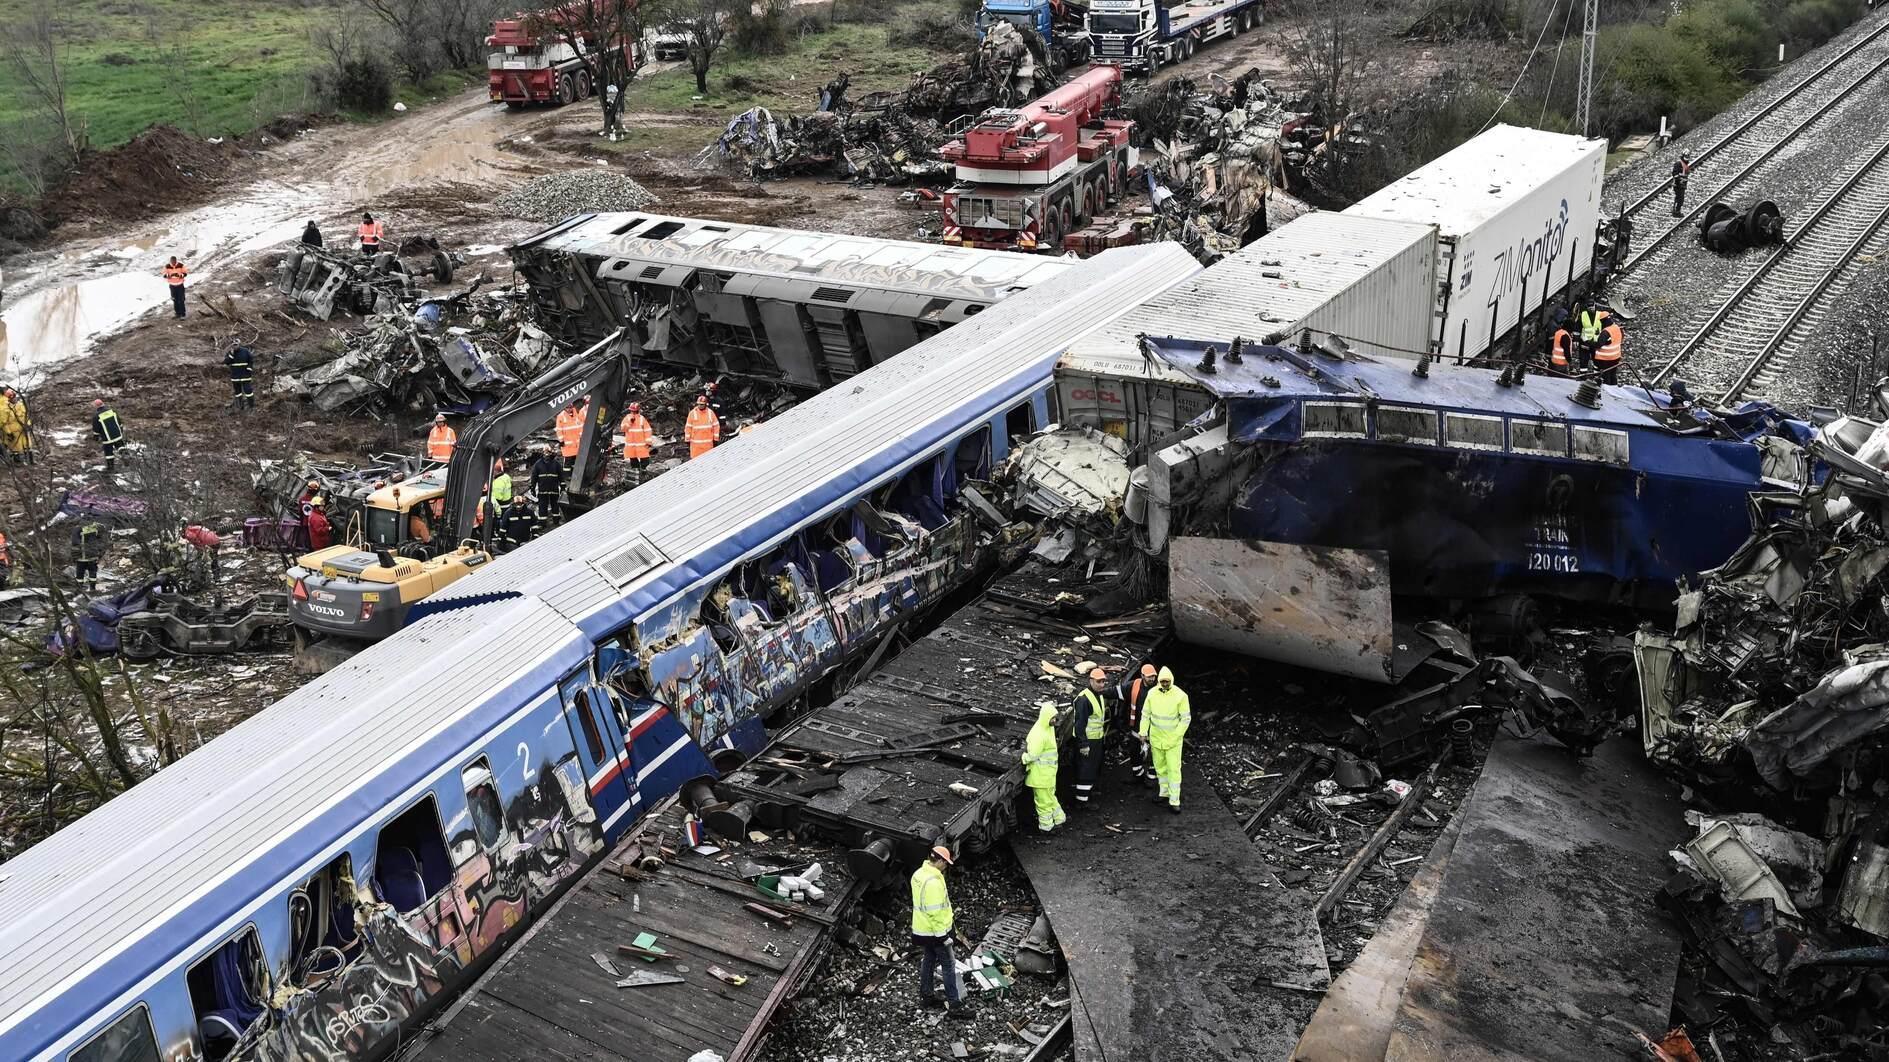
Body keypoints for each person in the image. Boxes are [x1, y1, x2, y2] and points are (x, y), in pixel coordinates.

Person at [910, 844, 972, 1020]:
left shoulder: (918, 874)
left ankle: (927, 996)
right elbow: (935, 912)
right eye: (945, 863)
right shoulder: (933, 882)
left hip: (922, 930)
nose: (946, 866)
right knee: (948, 965)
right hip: (936, 932)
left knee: (928, 960)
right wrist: (943, 936)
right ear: (939, 861)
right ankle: (955, 1005)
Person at [1138, 667, 1192, 813]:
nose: (1165, 684)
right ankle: (1164, 793)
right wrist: (1143, 732)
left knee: (1173, 770)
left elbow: (1185, 719)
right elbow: (1145, 715)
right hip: (1157, 739)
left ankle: (1174, 800)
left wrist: (1177, 735)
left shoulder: (1180, 696)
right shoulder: (1152, 694)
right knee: (1160, 768)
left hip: (1173, 741)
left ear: (1171, 680)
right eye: (1162, 681)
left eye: (1167, 681)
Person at [1022, 701, 1066, 833]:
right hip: (1049, 773)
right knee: (1051, 798)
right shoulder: (1048, 729)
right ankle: (1059, 819)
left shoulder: (1039, 732)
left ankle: (1046, 827)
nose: (1054, 720)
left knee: (1042, 802)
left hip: (1040, 775)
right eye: (1053, 717)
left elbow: (1033, 755)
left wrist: (1023, 758)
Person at [1071, 668, 1109, 805]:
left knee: (1092, 767)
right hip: (1088, 741)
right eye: (1099, 682)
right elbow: (1079, 724)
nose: (1102, 684)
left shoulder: (1098, 695)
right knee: (1085, 769)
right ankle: (1081, 801)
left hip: (1096, 739)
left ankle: (1086, 795)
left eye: (1104, 681)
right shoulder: (1084, 699)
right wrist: (1083, 744)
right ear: (1091, 681)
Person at [1116, 663, 1158, 785]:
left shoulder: (1159, 689)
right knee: (1134, 753)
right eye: (1149, 676)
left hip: (1154, 730)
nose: (1152, 679)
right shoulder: (1134, 685)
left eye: (1153, 676)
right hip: (1136, 728)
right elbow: (1118, 691)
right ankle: (1138, 775)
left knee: (1155, 756)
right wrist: (1100, 692)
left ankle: (1151, 779)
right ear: (1142, 676)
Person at [531, 446, 564, 524]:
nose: (546, 454)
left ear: (551, 453)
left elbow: (561, 476)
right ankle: (542, 523)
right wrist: (532, 487)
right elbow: (534, 476)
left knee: (555, 506)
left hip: (554, 489)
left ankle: (556, 521)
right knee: (542, 507)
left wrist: (563, 487)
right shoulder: (538, 464)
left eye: (548, 452)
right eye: (545, 452)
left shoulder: (556, 464)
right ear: (542, 453)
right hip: (543, 490)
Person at [619, 401, 653, 475]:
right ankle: (636, 474)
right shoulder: (627, 418)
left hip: (641, 445)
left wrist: (648, 442)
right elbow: (623, 429)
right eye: (632, 411)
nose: (633, 413)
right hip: (631, 445)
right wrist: (630, 423)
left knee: (645, 460)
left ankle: (644, 474)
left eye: (635, 411)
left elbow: (647, 430)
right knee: (634, 462)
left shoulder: (642, 419)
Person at [72, 520, 105, 594]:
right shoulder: (95, 529)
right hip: (92, 557)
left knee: (80, 575)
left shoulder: (77, 529)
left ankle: (79, 590)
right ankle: (92, 589)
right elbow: (100, 542)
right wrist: (99, 554)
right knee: (92, 573)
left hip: (81, 557)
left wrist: (74, 557)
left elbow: (74, 542)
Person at [92, 399, 124, 473]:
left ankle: (110, 467)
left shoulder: (96, 416)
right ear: (103, 404)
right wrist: (121, 429)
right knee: (120, 446)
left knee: (108, 452)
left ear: (96, 406)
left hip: (107, 437)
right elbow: (119, 421)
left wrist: (95, 436)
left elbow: (96, 428)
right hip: (117, 433)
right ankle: (125, 454)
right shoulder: (112, 411)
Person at [685, 394, 720, 459]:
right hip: (696, 445)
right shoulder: (692, 413)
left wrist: (715, 439)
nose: (700, 406)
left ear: (706, 404)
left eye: (702, 404)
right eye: (699, 404)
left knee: (708, 461)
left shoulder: (710, 413)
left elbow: (716, 426)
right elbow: (688, 427)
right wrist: (687, 440)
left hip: (708, 444)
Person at [555, 403, 585, 477]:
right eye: (567, 408)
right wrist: (561, 441)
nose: (569, 409)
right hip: (567, 445)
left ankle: (575, 475)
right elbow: (559, 430)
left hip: (577, 444)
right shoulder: (561, 417)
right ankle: (567, 476)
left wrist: (582, 437)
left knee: (576, 461)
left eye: (570, 407)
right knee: (568, 463)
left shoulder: (576, 415)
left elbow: (581, 427)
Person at [0, 387, 28, 464]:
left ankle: (27, 460)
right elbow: (3, 422)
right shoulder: (5, 408)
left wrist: (28, 424)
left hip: (21, 430)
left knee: (26, 446)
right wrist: (8, 432)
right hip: (12, 431)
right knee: (14, 448)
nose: (14, 399)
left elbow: (25, 416)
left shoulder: (19, 405)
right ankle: (15, 462)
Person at [1594, 314, 1624, 385]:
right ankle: (1614, 389)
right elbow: (1619, 338)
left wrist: (1589, 343)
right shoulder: (1616, 327)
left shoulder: (1605, 331)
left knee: (1606, 375)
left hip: (1606, 358)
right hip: (1616, 356)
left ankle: (1607, 392)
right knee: (1613, 374)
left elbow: (1599, 344)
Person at [224, 344, 255, 412]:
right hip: (235, 377)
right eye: (233, 345)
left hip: (245, 376)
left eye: (236, 345)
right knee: (238, 393)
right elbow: (226, 362)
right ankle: (240, 407)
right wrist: (231, 355)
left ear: (239, 344)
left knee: (248, 391)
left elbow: (251, 360)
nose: (235, 346)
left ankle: (252, 407)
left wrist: (249, 369)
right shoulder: (230, 353)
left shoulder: (245, 351)